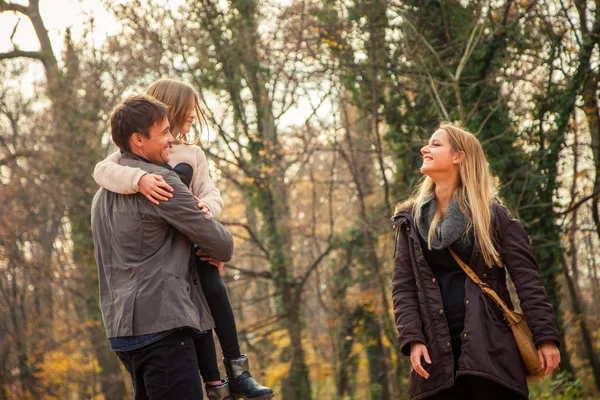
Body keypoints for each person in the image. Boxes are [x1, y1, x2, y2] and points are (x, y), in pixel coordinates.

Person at [93, 79, 273, 400]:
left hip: (122, 331)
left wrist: (208, 207)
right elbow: (222, 245)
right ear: (138, 140)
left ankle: (229, 372)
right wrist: (208, 234)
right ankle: (222, 378)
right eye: (163, 133)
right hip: (162, 326)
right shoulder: (160, 181)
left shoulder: (101, 198)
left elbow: (209, 193)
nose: (171, 138)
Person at [391, 122, 561, 399]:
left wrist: (546, 337)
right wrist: (413, 339)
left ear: (459, 156)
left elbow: (528, 281)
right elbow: (403, 287)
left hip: (491, 351)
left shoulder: (493, 216)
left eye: (435, 144)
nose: (425, 148)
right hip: (435, 357)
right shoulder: (409, 221)